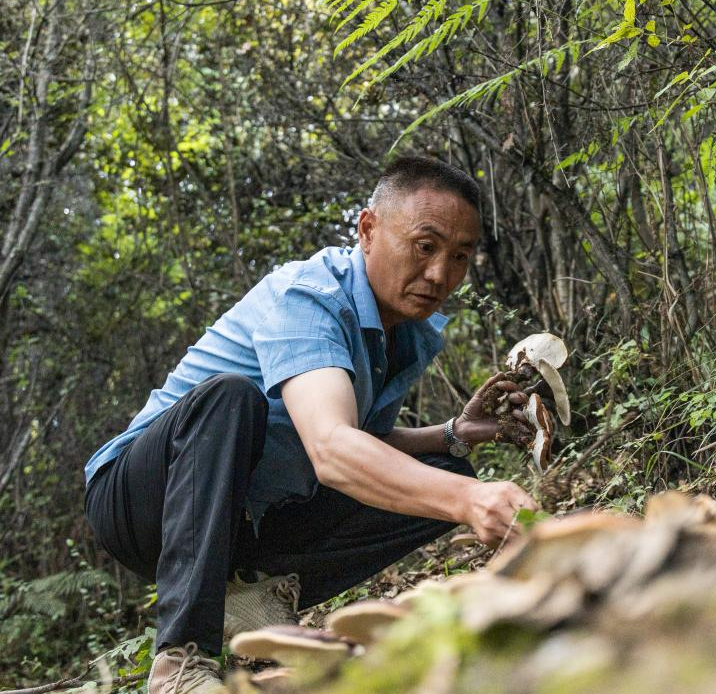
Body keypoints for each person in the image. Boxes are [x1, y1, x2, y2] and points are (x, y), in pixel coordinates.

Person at [83, 156, 538, 694]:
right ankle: (179, 662)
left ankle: (254, 591)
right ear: (368, 230)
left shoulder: (406, 332)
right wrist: (470, 500)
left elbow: (360, 442)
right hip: (142, 503)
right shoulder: (310, 295)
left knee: (441, 470)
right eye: (424, 246)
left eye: (459, 256)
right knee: (232, 397)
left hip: (244, 518)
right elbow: (331, 449)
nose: (440, 274)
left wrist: (452, 434)